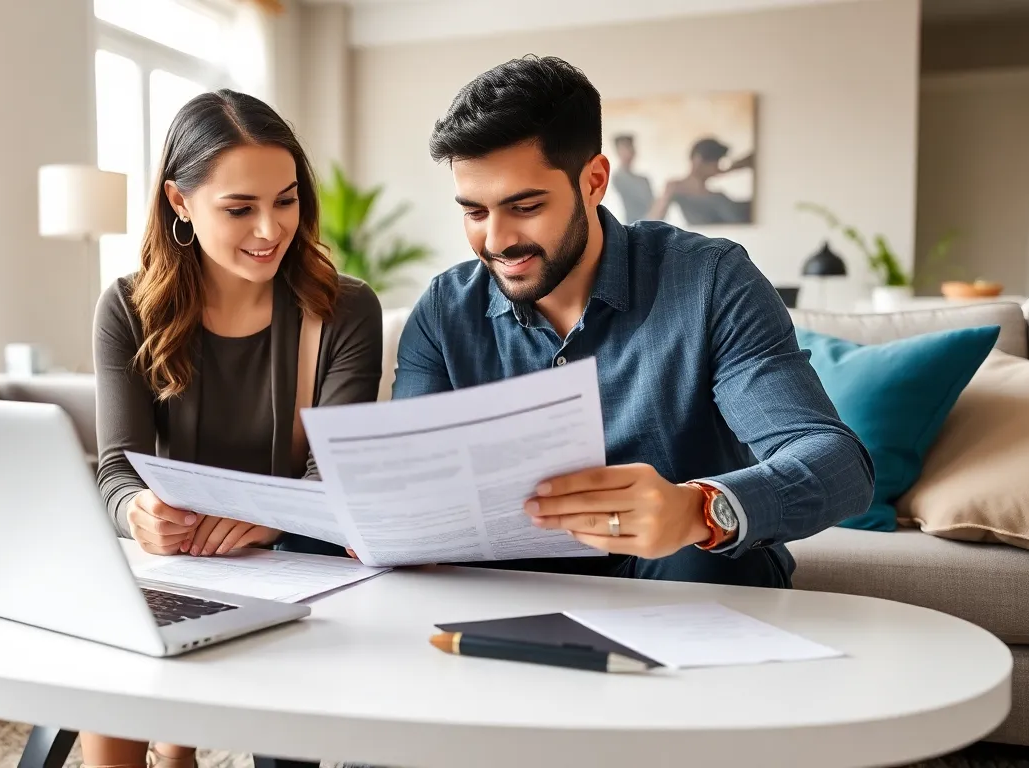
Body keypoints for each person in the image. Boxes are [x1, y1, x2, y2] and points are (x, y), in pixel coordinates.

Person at [397, 55, 873, 589]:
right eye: (475, 212)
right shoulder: (443, 310)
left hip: (684, 579)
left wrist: (698, 510)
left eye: (526, 206)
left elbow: (837, 463)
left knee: (696, 557)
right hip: (508, 588)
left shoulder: (710, 280)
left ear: (595, 181)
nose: (497, 241)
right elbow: (410, 476)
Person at [88, 89, 382, 768]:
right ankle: (172, 744)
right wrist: (138, 514)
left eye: (285, 200)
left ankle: (177, 738)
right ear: (179, 202)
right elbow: (115, 469)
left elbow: (335, 476)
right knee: (110, 695)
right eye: (240, 208)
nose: (270, 230)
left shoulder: (344, 310)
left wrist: (267, 520)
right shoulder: (128, 308)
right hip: (176, 562)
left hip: (289, 565)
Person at [645, 136, 753, 224]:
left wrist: (732, 168)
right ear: (699, 160)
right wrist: (666, 194)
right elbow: (652, 221)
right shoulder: (677, 188)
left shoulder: (718, 195)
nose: (718, 167)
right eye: (717, 162)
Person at [608, 133, 653, 223]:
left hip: (648, 221)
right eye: (625, 147)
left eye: (630, 147)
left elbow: (651, 204)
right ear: (618, 151)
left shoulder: (643, 180)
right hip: (631, 224)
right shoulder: (616, 178)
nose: (629, 151)